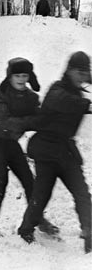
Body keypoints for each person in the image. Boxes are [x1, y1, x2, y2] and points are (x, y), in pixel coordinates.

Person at [18, 51, 92, 253]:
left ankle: (90, 234)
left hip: (67, 152)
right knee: (41, 195)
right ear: (69, 71)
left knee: (82, 193)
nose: (82, 77)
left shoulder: (78, 89)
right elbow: (64, 102)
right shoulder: (57, 90)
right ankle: (25, 230)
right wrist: (88, 104)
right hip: (47, 151)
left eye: (85, 73)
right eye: (78, 72)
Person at [0, 58, 58, 238]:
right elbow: (1, 122)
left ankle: (37, 218)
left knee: (29, 180)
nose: (21, 79)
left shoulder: (30, 98)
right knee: (1, 178)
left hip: (10, 142)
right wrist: (30, 122)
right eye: (17, 75)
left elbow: (41, 116)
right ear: (10, 76)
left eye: (25, 75)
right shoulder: (1, 94)